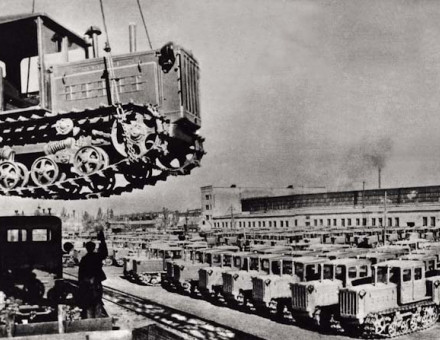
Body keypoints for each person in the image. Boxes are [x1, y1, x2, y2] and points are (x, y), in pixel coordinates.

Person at [77, 230, 108, 319]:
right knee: (97, 303)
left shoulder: (84, 259)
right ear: (94, 248)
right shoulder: (97, 257)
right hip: (96, 284)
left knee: (88, 305)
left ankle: (89, 322)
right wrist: (102, 239)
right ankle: (97, 321)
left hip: (86, 285)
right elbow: (105, 253)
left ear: (86, 248)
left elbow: (80, 274)